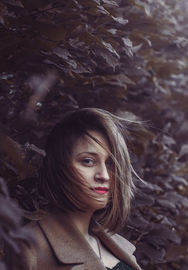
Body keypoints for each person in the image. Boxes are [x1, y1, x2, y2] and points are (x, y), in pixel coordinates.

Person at [6, 108, 142, 270]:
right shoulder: (29, 246)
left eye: (110, 163)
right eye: (88, 161)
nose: (104, 175)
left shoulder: (119, 246)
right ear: (59, 167)